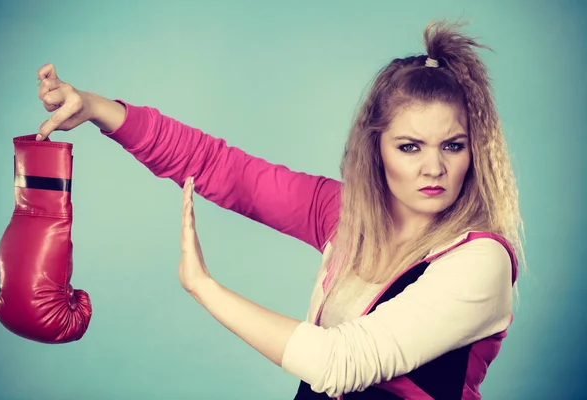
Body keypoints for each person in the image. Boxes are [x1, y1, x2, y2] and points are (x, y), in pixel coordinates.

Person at [35, 19, 524, 400]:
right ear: (376, 150)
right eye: (410, 147)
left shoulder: (482, 262)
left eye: (453, 146)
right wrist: (98, 109)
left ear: (474, 151)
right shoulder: (343, 214)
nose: (433, 168)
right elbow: (217, 166)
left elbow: (340, 364)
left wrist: (204, 287)